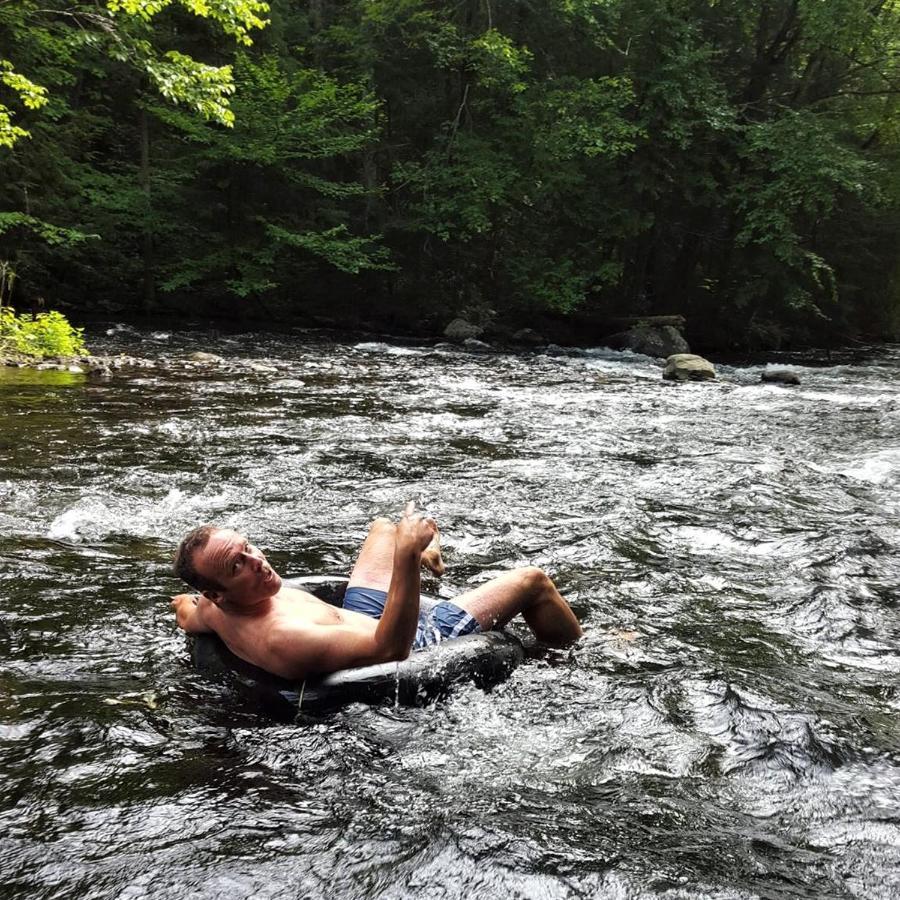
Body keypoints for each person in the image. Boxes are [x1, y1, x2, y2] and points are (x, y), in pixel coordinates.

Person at [170, 502, 582, 680]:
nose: (258, 561)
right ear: (219, 593)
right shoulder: (281, 638)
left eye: (248, 547)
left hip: (356, 614)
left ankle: (429, 555)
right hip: (410, 641)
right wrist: (405, 556)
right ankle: (574, 659)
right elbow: (392, 648)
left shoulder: (212, 608)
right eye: (238, 565)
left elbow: (184, 611)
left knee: (383, 528)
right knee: (532, 581)